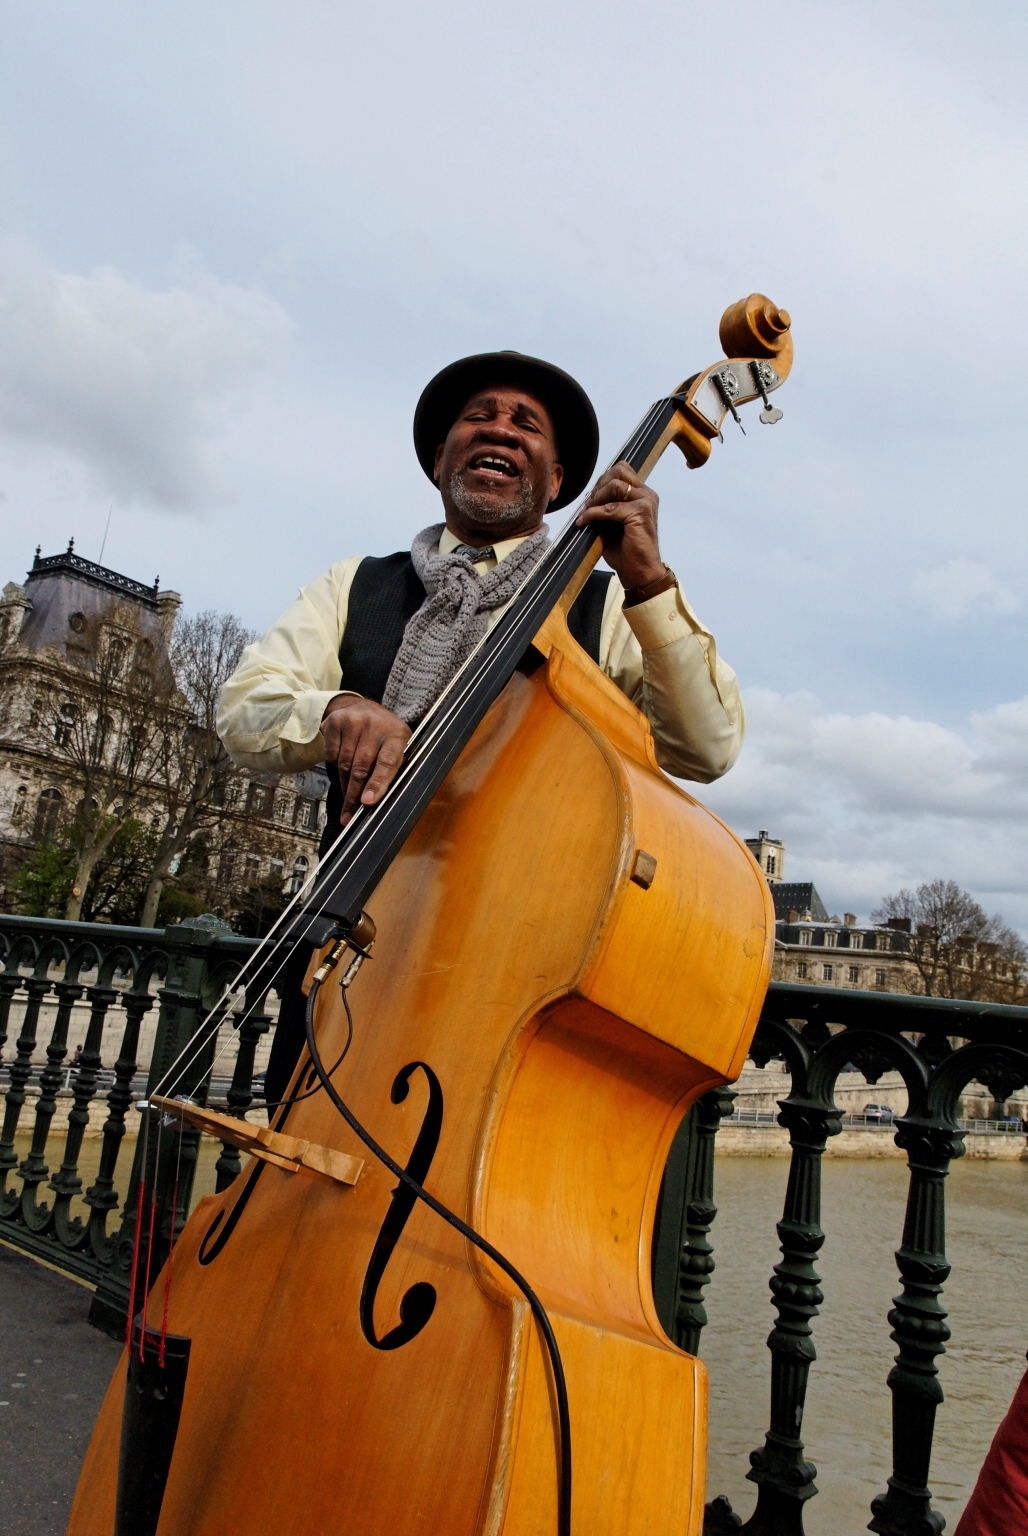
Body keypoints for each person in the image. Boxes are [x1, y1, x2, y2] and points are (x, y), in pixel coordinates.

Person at [217, 351, 745, 1103]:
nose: (501, 429)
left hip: (516, 976)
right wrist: (334, 711)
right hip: (339, 950)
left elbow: (709, 748)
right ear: (441, 458)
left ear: (557, 482)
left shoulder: (603, 607)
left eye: (527, 424)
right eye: (480, 417)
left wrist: (649, 583)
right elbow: (243, 708)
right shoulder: (352, 585)